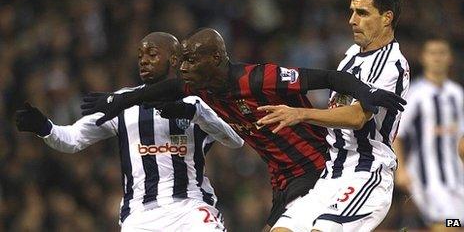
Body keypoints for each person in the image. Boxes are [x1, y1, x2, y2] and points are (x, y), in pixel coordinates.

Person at [80, 27, 406, 231]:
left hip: (314, 168)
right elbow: (164, 89)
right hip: (282, 177)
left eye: (192, 60)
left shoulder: (257, 78)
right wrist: (118, 101)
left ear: (216, 58)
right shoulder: (201, 87)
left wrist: (368, 93)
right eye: (183, 61)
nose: (183, 67)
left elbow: (329, 78)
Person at [15, 32, 244, 231]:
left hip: (191, 208)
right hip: (141, 215)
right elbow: (73, 139)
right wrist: (45, 127)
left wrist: (195, 113)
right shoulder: (123, 103)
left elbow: (235, 140)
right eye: (140, 56)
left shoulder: (195, 101)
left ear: (174, 59)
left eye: (152, 54)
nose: (143, 61)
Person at [257, 0, 410, 232]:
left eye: (362, 13)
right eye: (351, 12)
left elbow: (357, 116)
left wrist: (300, 114)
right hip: (331, 174)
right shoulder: (351, 55)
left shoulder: (393, 64)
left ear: (387, 17)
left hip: (366, 173)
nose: (352, 20)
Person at [394, 37, 464, 231]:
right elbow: (397, 133)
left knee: (455, 224)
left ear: (450, 58)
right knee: (445, 224)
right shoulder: (416, 94)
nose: (437, 58)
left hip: (457, 177)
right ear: (423, 57)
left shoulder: (457, 94)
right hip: (427, 178)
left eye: (442, 53)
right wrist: (400, 170)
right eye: (432, 53)